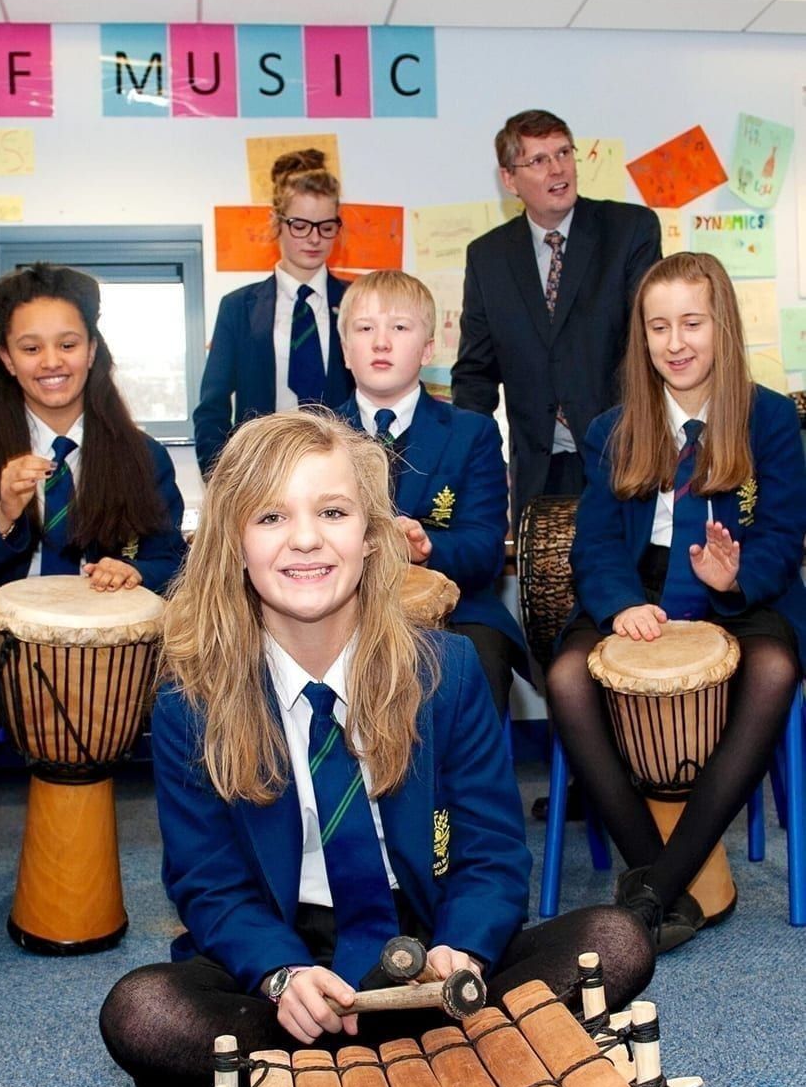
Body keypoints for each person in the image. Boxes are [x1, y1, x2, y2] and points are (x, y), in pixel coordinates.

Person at [99, 411, 652, 1087]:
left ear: (370, 537)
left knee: (616, 938)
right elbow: (210, 887)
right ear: (233, 544)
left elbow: (491, 855)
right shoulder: (193, 705)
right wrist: (281, 976)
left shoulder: (446, 673)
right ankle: (438, 1069)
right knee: (142, 1010)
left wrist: (466, 951)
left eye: (332, 512)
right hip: (292, 956)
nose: (305, 539)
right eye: (270, 518)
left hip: (426, 943)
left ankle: (324, 1083)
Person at [0, 263, 187, 1033]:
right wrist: (0, 513)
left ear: (93, 350)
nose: (51, 361)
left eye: (67, 343)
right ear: (5, 358)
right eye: (31, 347)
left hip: (102, 662)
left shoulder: (138, 452)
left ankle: (211, 917)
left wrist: (139, 569)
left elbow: (174, 558)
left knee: (202, 695)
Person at [545, 252, 806, 954]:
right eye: (660, 327)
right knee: (567, 679)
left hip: (742, 591)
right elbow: (594, 544)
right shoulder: (613, 429)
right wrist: (622, 603)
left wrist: (736, 576)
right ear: (644, 338)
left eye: (692, 322)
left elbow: (784, 533)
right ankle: (653, 872)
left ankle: (654, 894)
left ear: (722, 325)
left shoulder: (772, 418)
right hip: (641, 586)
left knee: (776, 670)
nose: (677, 342)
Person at [453, 109, 663, 531]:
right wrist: (475, 466)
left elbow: (650, 342)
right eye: (539, 160)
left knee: (627, 588)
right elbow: (475, 374)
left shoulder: (628, 230)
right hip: (538, 469)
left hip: (624, 456)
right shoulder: (487, 257)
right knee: (547, 593)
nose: (558, 168)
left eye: (564, 152)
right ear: (509, 180)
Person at [336, 269, 526, 719]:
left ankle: (462, 792)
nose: (381, 342)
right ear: (346, 350)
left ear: (426, 349)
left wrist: (428, 547)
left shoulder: (472, 434)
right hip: (341, 611)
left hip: (456, 610)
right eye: (365, 329)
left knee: (476, 663)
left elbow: (484, 550)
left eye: (399, 328)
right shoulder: (313, 435)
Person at [193, 148, 353, 476]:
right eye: (300, 225)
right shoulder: (238, 308)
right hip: (262, 475)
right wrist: (225, 483)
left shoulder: (357, 301)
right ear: (276, 223)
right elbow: (212, 409)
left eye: (326, 227)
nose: (313, 238)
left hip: (341, 472)